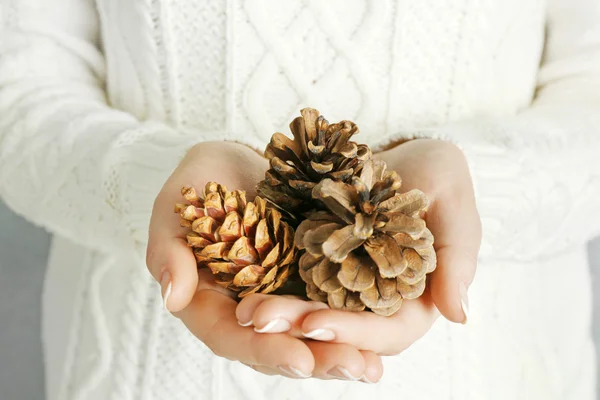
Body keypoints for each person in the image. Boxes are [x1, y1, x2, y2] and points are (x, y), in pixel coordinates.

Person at [1, 0, 599, 399]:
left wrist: (469, 189)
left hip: (502, 374)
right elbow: (18, 95)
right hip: (139, 377)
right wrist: (163, 186)